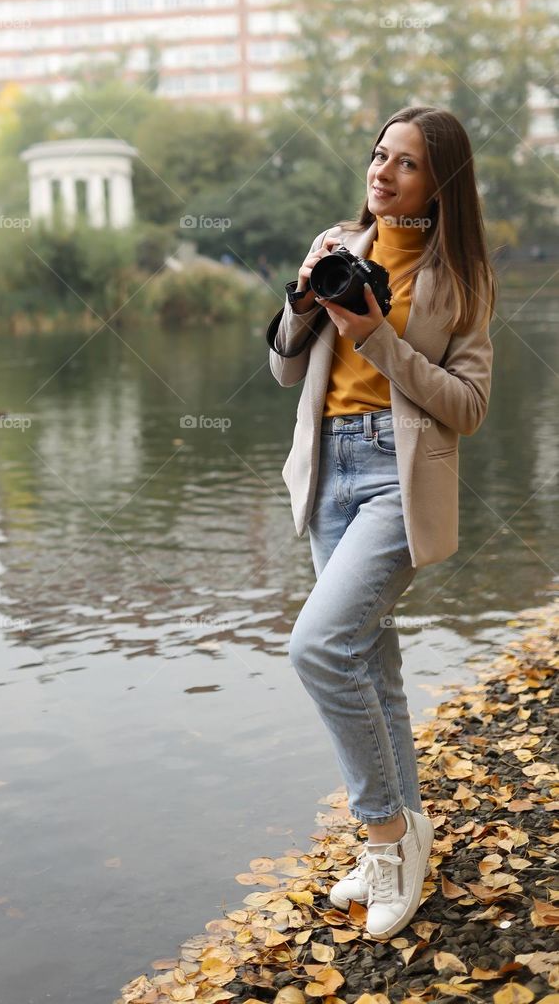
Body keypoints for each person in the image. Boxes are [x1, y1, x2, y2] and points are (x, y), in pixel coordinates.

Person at [265, 106, 496, 941]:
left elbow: (466, 409)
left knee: (317, 647)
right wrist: (302, 296)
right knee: (369, 661)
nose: (381, 172)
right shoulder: (344, 246)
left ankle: (385, 838)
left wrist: (376, 340)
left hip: (397, 482)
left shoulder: (460, 280)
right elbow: (284, 368)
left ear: (439, 185)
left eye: (404, 163)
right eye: (377, 155)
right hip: (328, 468)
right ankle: (409, 840)